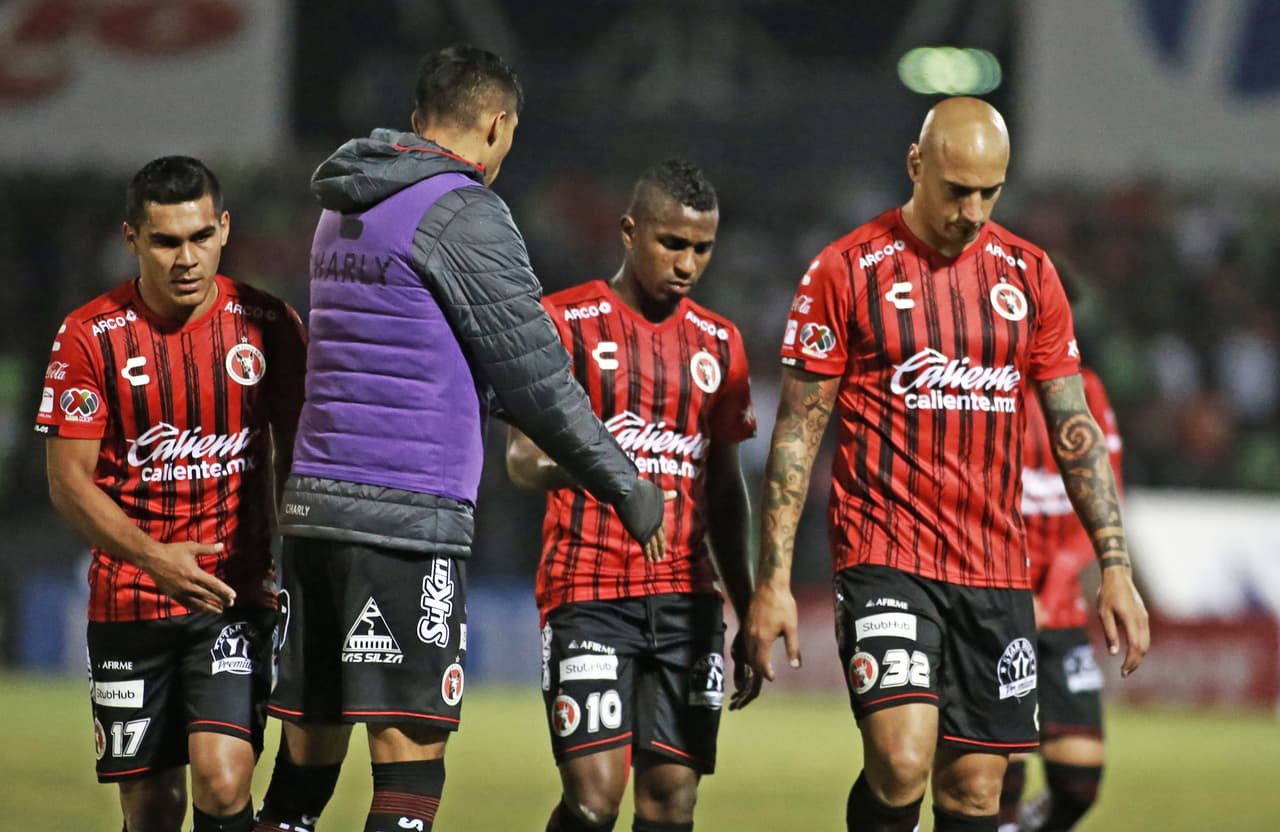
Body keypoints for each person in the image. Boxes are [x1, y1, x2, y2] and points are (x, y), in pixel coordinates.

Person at [252, 45, 667, 832]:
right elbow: (536, 376)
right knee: (411, 769)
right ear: (497, 123)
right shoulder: (462, 211)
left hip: (314, 513)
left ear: (415, 123)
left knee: (303, 771)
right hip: (405, 518)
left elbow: (414, 347)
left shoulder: (344, 205)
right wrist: (623, 482)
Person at [742, 96, 1150, 832]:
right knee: (900, 761)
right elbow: (797, 435)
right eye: (957, 189)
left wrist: (1114, 566)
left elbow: (1073, 428)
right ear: (915, 164)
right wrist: (771, 582)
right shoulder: (845, 270)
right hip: (885, 556)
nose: (972, 209)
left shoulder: (1030, 276)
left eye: (989, 192)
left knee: (974, 795)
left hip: (996, 570)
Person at [36, 156, 306, 832]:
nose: (186, 258)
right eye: (165, 241)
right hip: (129, 605)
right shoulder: (88, 336)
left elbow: (298, 457)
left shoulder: (269, 324)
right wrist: (157, 558)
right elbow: (68, 482)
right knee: (153, 808)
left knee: (221, 778)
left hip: (232, 600)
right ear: (132, 239)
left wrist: (293, 560)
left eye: (199, 237)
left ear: (223, 229)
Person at [506, 159, 759, 832]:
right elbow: (522, 460)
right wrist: (610, 477)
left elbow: (725, 490)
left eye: (701, 248)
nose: (687, 263)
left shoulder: (719, 343)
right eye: (671, 243)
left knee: (670, 800)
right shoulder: (566, 322)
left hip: (688, 604)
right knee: (593, 803)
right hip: (588, 594)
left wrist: (751, 605)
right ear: (628, 231)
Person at [999, 296, 1124, 832]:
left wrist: (1054, 588)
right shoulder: (979, 386)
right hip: (995, 605)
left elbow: (1104, 493)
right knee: (993, 776)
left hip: (1060, 613)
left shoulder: (1087, 390)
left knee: (1078, 783)